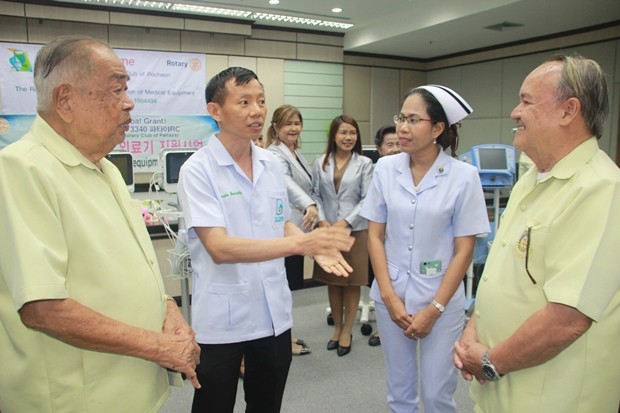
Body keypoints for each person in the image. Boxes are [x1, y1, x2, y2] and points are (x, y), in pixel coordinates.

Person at [0, 35, 200, 413]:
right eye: (116, 89)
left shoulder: (103, 167)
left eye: (127, 89)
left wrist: (170, 309)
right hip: (77, 398)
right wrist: (159, 346)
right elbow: (42, 307)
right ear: (65, 100)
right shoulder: (21, 169)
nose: (129, 102)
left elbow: (133, 264)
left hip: (129, 387)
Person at [177, 67, 354, 413]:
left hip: (273, 314)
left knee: (266, 404)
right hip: (222, 319)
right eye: (243, 102)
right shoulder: (198, 170)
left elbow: (280, 221)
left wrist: (310, 240)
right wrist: (300, 246)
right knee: (213, 405)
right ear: (216, 111)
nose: (257, 111)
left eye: (260, 101)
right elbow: (220, 248)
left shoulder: (271, 164)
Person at [454, 54, 620, 413]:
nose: (514, 112)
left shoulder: (601, 189)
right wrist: (473, 330)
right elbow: (503, 276)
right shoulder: (532, 179)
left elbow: (567, 319)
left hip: (553, 397)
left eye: (526, 101)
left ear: (568, 111)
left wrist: (489, 361)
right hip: (502, 386)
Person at [361, 85, 490, 413]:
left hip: (441, 300)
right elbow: (375, 236)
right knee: (400, 392)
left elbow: (464, 250)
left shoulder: (464, 177)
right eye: (401, 118)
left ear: (437, 128)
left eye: (413, 119)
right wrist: (389, 297)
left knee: (436, 394)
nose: (402, 127)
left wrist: (434, 308)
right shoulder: (385, 169)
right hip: (392, 298)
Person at [311, 114, 374, 357]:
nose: (348, 138)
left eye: (352, 133)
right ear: (334, 136)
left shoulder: (365, 164)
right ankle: (336, 328)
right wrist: (324, 221)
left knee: (351, 282)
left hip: (354, 231)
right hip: (327, 230)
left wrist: (345, 222)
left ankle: (348, 329)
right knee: (333, 281)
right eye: (343, 133)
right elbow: (315, 193)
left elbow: (368, 198)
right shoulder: (320, 162)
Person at [266, 104, 318, 355]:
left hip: (299, 231)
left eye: (297, 123)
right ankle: (282, 341)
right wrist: (308, 204)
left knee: (288, 289)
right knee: (281, 288)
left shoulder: (295, 153)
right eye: (288, 123)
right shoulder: (275, 154)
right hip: (283, 232)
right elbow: (286, 183)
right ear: (276, 127)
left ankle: (286, 336)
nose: (294, 128)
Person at [367, 124, 401, 347]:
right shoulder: (378, 172)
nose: (396, 149)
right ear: (379, 149)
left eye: (399, 144)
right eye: (390, 145)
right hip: (378, 239)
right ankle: (383, 326)